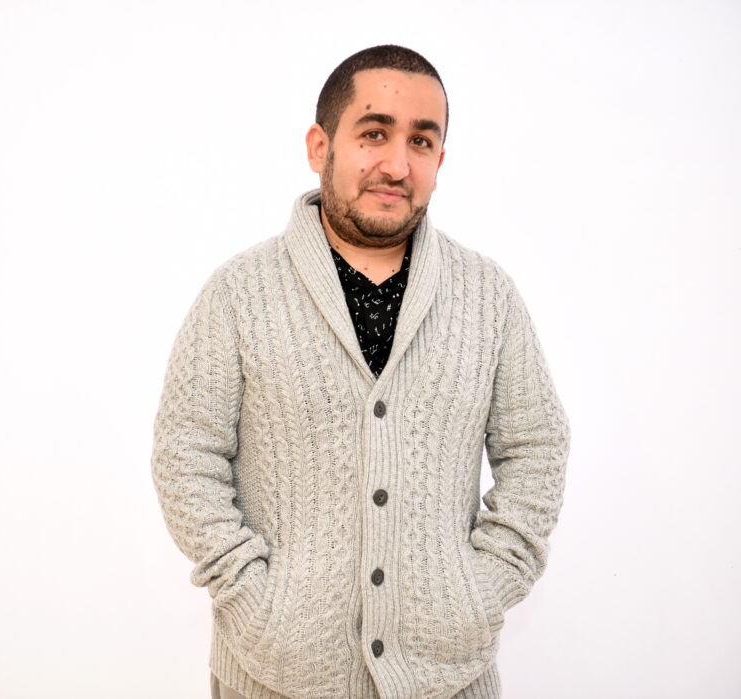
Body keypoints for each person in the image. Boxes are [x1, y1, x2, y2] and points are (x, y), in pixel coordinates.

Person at [151, 45, 570, 699]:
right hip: (273, 674)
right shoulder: (239, 293)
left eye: (421, 141)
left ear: (439, 161)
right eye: (374, 133)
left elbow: (537, 446)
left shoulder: (488, 296)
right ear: (320, 146)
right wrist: (253, 597)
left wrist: (482, 588)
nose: (397, 165)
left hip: (449, 677)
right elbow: (186, 455)